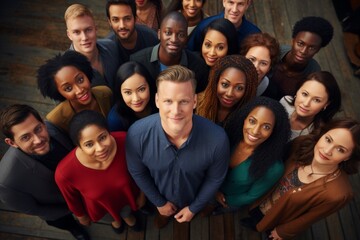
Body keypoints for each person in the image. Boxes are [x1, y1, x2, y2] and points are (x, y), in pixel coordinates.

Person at [126, 65, 230, 229]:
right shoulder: (136, 135)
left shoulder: (218, 139)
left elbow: (214, 178)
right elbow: (138, 172)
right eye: (168, 101)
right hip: (160, 200)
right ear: (157, 101)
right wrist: (159, 203)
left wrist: (194, 208)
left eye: (184, 101)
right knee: (161, 219)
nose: (175, 111)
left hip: (195, 198)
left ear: (194, 101)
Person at [244, 118, 360, 239]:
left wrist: (283, 231)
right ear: (322, 134)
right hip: (262, 200)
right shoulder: (302, 143)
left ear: (348, 157)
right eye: (328, 139)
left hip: (278, 219)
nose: (327, 151)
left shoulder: (339, 194)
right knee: (252, 218)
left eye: (340, 150)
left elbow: (310, 217)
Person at [0, 104, 90, 240]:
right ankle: (75, 229)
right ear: (12, 143)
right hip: (60, 209)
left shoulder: (53, 127)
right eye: (25, 137)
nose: (38, 140)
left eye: (38, 129)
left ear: (43, 123)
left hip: (85, 189)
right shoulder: (7, 182)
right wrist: (76, 210)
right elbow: (34, 209)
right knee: (64, 222)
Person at [55, 110, 141, 234]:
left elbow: (141, 170)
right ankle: (116, 221)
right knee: (111, 218)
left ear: (109, 131)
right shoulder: (64, 172)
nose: (100, 148)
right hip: (101, 208)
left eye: (102, 137)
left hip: (128, 197)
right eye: (89, 144)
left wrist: (142, 195)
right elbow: (72, 200)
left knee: (127, 212)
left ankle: (128, 218)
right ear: (79, 146)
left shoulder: (126, 140)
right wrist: (82, 216)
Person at [212, 97, 290, 213]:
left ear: (274, 131)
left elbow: (251, 196)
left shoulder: (274, 168)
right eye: (252, 121)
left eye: (266, 127)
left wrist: (223, 198)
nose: (255, 131)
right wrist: (211, 190)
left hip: (229, 201)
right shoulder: (228, 135)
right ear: (245, 119)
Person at [130, 11, 209, 93]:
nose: (174, 39)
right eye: (168, 33)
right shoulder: (138, 61)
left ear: (186, 38)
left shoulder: (198, 66)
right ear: (159, 34)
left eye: (181, 35)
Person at [37, 51, 112, 133]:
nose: (79, 90)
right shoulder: (56, 120)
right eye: (68, 88)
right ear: (58, 93)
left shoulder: (105, 93)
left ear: (86, 73)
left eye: (80, 80)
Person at [270, 16, 334, 99]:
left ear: (318, 50)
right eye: (300, 44)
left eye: (311, 48)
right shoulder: (274, 52)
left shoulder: (313, 74)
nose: (303, 51)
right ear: (293, 41)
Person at [65, 3, 120, 92]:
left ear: (96, 28)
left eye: (88, 30)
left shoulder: (111, 46)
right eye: (77, 32)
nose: (84, 37)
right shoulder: (64, 70)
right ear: (69, 35)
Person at [196, 55, 258, 126]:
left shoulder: (251, 116)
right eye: (225, 85)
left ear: (247, 91)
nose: (229, 94)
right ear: (216, 82)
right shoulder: (196, 104)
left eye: (239, 88)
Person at [280, 71, 341, 140]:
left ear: (326, 104)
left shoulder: (315, 135)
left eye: (317, 100)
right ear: (298, 91)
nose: (306, 104)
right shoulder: (284, 102)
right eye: (305, 94)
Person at [187, 0, 261, 52]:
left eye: (240, 4)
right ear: (224, 2)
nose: (234, 9)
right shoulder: (205, 25)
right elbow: (189, 52)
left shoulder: (254, 34)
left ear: (247, 4)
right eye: (231, 2)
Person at [107, 61, 157, 131]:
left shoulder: (162, 105)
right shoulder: (115, 120)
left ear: (150, 86)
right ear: (120, 93)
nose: (136, 99)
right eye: (128, 92)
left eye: (141, 89)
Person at [240, 32, 280, 99]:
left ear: (269, 68)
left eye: (263, 63)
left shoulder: (272, 93)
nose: (255, 67)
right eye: (252, 59)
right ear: (243, 57)